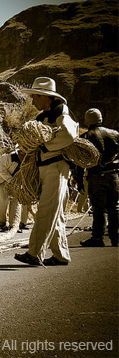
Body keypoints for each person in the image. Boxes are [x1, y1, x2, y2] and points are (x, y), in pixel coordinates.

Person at [14, 77, 78, 266]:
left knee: (46, 211)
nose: (33, 101)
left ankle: (34, 253)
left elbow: (68, 135)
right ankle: (60, 255)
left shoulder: (61, 113)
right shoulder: (43, 116)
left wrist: (43, 147)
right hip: (46, 166)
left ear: (45, 97)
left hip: (56, 167)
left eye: (35, 97)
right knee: (55, 214)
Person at [76, 108, 119, 247]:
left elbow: (80, 162)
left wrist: (79, 181)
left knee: (99, 209)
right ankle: (115, 238)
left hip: (96, 176)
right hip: (114, 175)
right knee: (114, 207)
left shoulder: (85, 138)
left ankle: (98, 237)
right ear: (101, 119)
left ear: (87, 121)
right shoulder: (115, 134)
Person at [0, 148, 31, 232]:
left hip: (15, 183)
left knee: (16, 201)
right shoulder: (8, 157)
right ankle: (2, 222)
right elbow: (1, 170)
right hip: (2, 180)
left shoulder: (27, 161)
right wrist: (12, 180)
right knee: (3, 200)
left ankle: (13, 224)